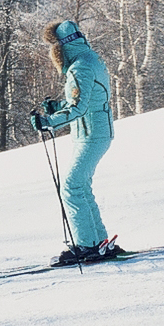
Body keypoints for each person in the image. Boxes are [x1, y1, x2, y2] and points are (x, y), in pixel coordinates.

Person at [30, 20, 123, 265]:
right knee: (81, 186)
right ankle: (98, 243)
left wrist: (48, 121)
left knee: (71, 187)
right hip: (95, 132)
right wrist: (59, 107)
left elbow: (79, 109)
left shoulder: (80, 67)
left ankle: (86, 245)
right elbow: (88, 99)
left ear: (62, 47)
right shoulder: (91, 59)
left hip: (92, 134)